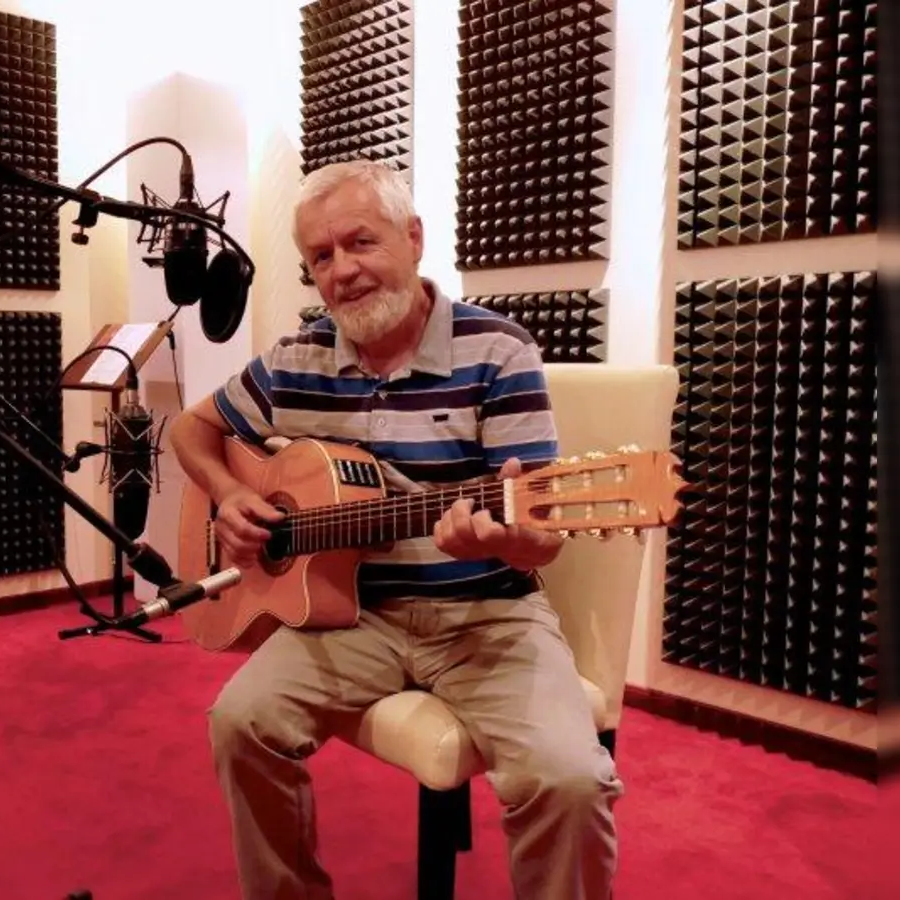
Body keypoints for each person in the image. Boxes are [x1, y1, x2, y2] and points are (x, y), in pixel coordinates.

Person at [167, 160, 623, 900]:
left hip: (488, 618)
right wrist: (224, 494)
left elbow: (543, 537)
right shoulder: (295, 358)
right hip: (348, 618)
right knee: (240, 722)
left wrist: (497, 539)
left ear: (413, 239)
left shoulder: (499, 352)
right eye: (321, 256)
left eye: (360, 243)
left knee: (569, 780)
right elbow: (192, 428)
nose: (342, 271)